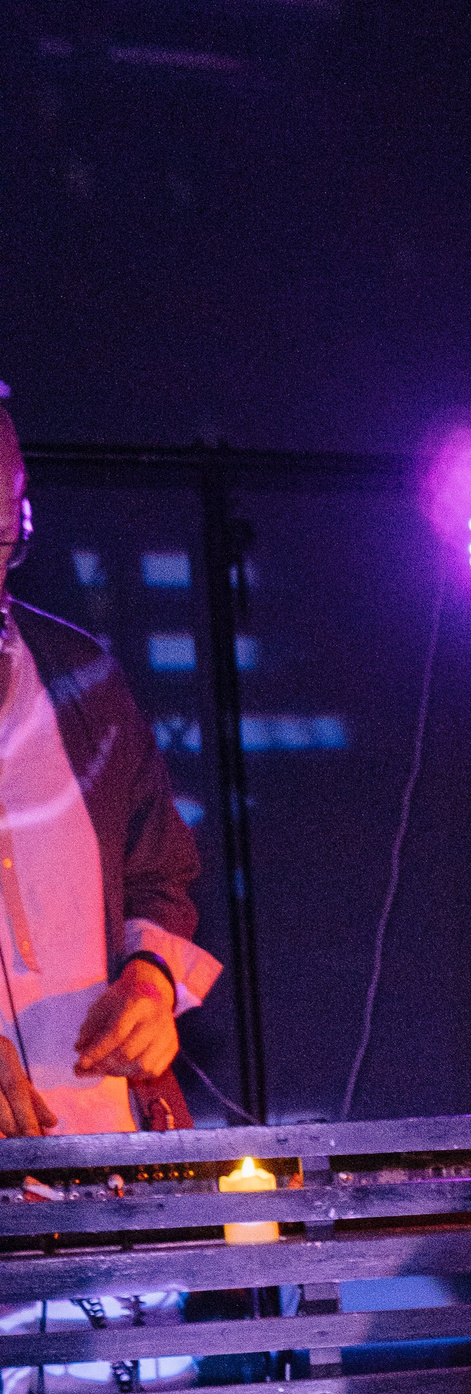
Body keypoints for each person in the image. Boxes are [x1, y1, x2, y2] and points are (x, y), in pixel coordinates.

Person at [0, 398, 221, 1140]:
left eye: (4, 538)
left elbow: (159, 877)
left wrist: (149, 981)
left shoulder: (84, 679)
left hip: (107, 1147)